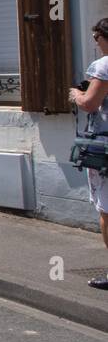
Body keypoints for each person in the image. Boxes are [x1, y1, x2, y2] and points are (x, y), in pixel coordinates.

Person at [69, 17, 108, 290]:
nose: (94, 43)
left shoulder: (104, 66)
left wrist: (76, 95)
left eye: (96, 37)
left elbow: (90, 103)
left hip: (105, 146)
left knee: (106, 210)